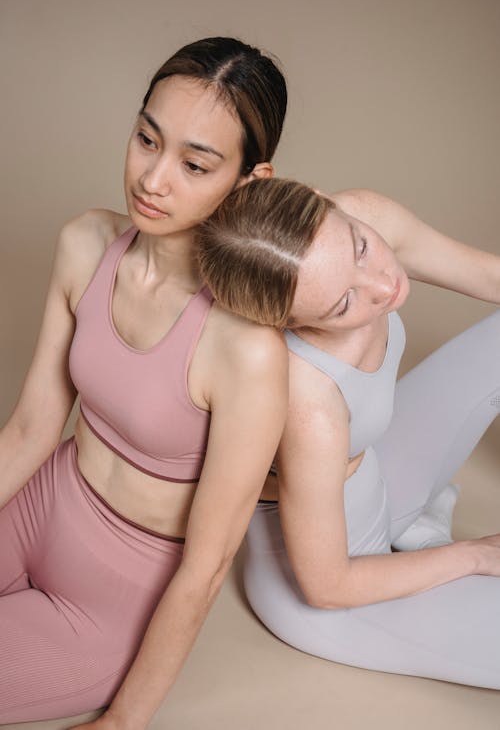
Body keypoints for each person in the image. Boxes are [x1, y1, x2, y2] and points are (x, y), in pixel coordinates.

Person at [0, 39, 290, 726]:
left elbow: (210, 562)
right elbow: (30, 429)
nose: (153, 179)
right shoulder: (86, 244)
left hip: (111, 595)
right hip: (40, 506)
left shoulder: (246, 350)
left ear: (249, 182)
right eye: (145, 139)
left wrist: (122, 722)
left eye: (194, 164)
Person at [197, 177, 500, 688]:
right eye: (343, 305)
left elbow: (492, 276)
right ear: (288, 324)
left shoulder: (362, 212)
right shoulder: (306, 399)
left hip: (380, 477)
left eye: (361, 247)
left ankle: (414, 525)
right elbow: (328, 585)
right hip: (333, 590)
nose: (384, 286)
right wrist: (474, 555)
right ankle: (425, 544)